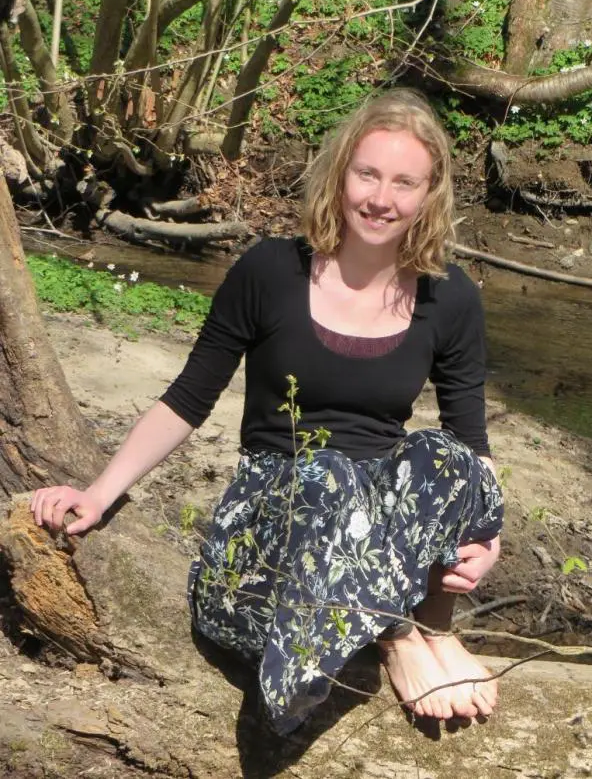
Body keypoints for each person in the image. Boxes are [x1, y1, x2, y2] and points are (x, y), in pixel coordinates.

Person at [31, 89, 504, 734]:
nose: (380, 198)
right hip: (272, 531)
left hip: (376, 536)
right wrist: (98, 492)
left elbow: (471, 442)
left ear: (430, 194)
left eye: (404, 183)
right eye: (367, 174)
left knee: (444, 456)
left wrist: (487, 543)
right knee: (327, 474)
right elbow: (188, 398)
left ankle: (437, 631)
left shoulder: (450, 298)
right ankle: (396, 639)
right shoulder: (270, 271)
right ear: (339, 174)